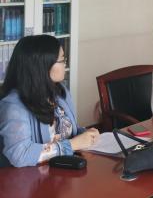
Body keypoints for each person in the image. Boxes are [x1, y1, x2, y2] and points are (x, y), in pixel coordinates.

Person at [0, 35, 99, 167]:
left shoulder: (60, 92)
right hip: (34, 176)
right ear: (42, 66)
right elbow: (19, 154)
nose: (65, 64)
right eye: (62, 60)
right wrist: (72, 145)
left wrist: (85, 134)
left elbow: (66, 132)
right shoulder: (14, 105)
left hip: (64, 168)